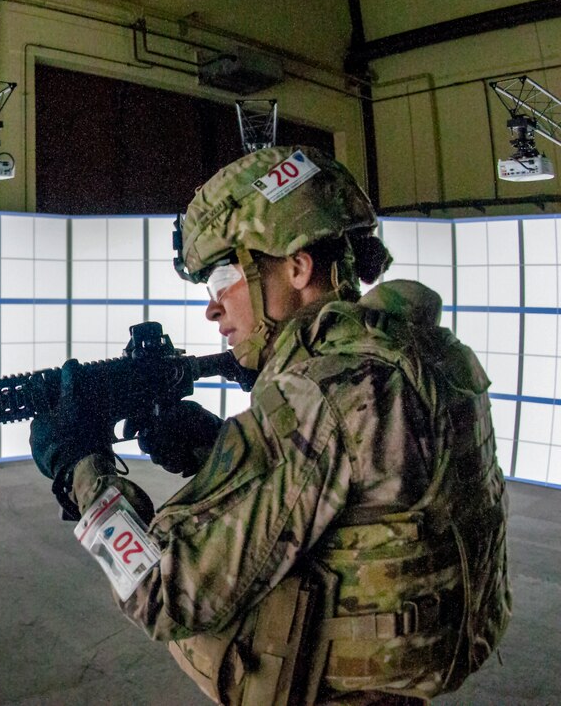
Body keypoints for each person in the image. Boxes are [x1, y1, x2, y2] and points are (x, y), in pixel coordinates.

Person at [29, 146, 511, 705]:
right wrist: (216, 450)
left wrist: (81, 471)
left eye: (223, 278)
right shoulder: (418, 350)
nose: (213, 309)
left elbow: (161, 590)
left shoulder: (321, 390)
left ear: (297, 266)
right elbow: (362, 492)